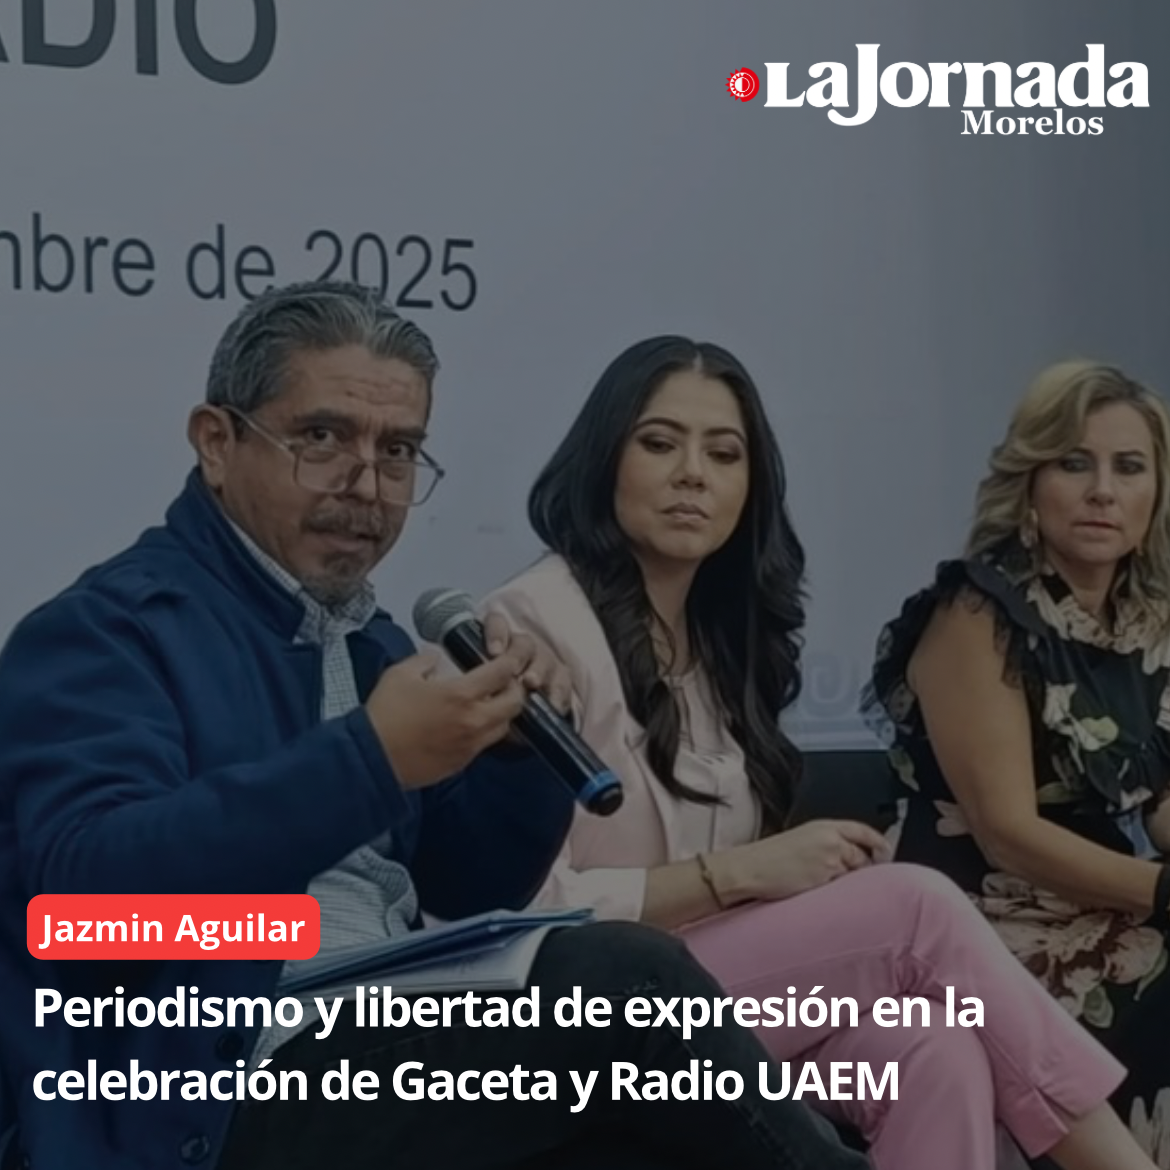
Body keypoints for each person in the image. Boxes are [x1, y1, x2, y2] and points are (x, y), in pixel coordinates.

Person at [0, 283, 871, 1170]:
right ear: (217, 443)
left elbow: (468, 884)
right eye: (322, 437)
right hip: (215, 1084)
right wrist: (370, 764)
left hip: (389, 1019)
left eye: (399, 451)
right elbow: (80, 909)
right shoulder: (107, 631)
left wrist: (514, 761)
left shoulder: (375, 644)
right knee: (628, 985)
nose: (365, 484)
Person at [482, 336, 1159, 1170]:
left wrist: (788, 887)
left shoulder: (719, 640)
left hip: (706, 999)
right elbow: (508, 912)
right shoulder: (528, 626)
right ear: (602, 462)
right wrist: (737, 874)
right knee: (915, 907)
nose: (693, 474)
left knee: (932, 1050)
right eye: (659, 443)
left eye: (723, 454)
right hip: (573, 1007)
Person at [865, 360, 1170, 1165]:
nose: (1102, 490)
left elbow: (1158, 799)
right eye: (1074, 463)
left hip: (1106, 908)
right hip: (978, 926)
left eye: (1128, 467)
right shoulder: (980, 609)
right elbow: (1007, 833)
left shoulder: (1147, 624)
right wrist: (1162, 892)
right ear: (1030, 483)